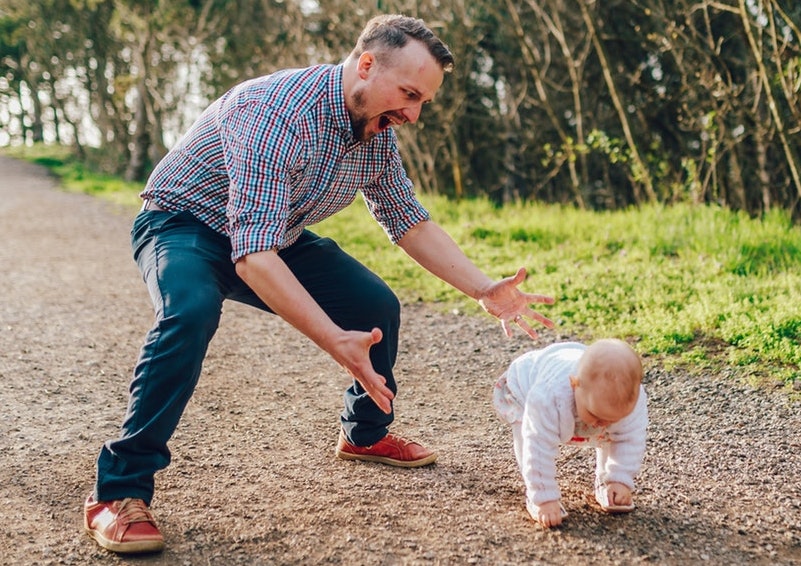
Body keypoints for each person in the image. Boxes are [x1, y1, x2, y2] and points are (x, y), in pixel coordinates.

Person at [84, 14, 555, 554]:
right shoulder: (274, 113)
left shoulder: (374, 130)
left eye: (423, 100)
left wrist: (482, 289)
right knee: (189, 311)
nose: (414, 113)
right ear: (367, 64)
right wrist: (334, 339)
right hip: (183, 224)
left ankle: (365, 434)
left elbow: (408, 219)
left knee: (374, 304)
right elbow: (252, 259)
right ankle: (116, 492)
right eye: (408, 94)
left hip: (270, 233)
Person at [493, 339, 647, 528]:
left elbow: (630, 440)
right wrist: (544, 498)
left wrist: (620, 479)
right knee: (527, 433)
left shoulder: (630, 401)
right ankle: (535, 495)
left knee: (614, 433)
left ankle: (607, 483)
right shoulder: (548, 396)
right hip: (524, 386)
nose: (602, 424)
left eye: (613, 418)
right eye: (595, 415)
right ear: (575, 384)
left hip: (571, 373)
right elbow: (538, 445)